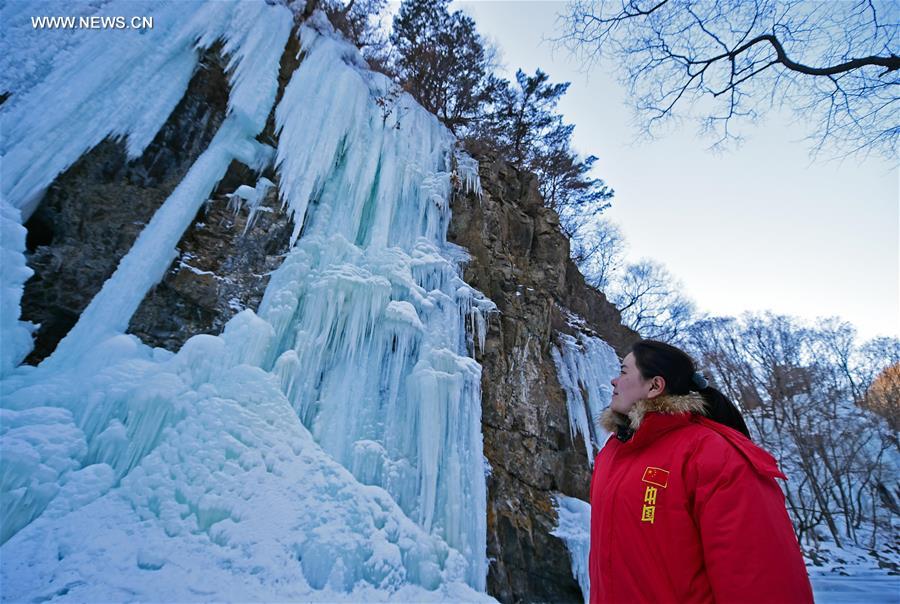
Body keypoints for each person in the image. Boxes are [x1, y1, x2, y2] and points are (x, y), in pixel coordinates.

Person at [589, 339, 814, 604]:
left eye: (624, 372)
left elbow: (760, 576)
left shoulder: (714, 454)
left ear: (655, 386)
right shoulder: (613, 453)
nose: (614, 381)